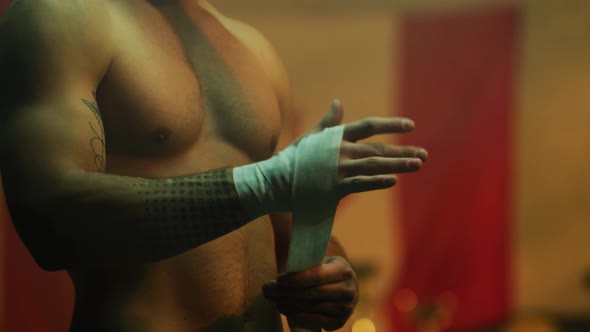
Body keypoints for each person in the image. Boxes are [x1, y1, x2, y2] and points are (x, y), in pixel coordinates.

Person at [0, 0, 428, 331]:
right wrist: (260, 183)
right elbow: (50, 222)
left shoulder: (251, 47)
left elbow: (282, 225)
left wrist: (331, 276)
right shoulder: (60, 17)